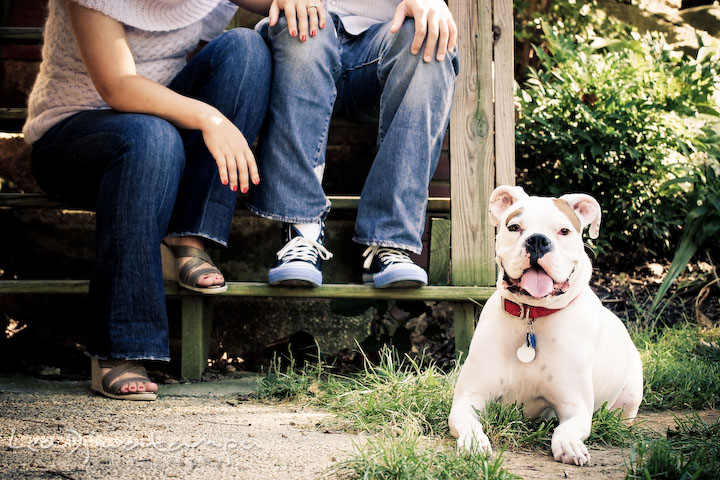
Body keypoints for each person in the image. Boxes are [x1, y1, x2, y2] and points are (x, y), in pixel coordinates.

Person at [23, 0, 273, 400]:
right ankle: (119, 347)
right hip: (73, 137)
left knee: (245, 48)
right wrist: (211, 119)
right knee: (151, 137)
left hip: (158, 134)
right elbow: (117, 86)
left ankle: (189, 237)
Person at [247, 0, 459, 289]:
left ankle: (390, 240)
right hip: (301, 49)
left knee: (427, 36)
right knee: (301, 24)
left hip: (383, 48)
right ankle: (301, 231)